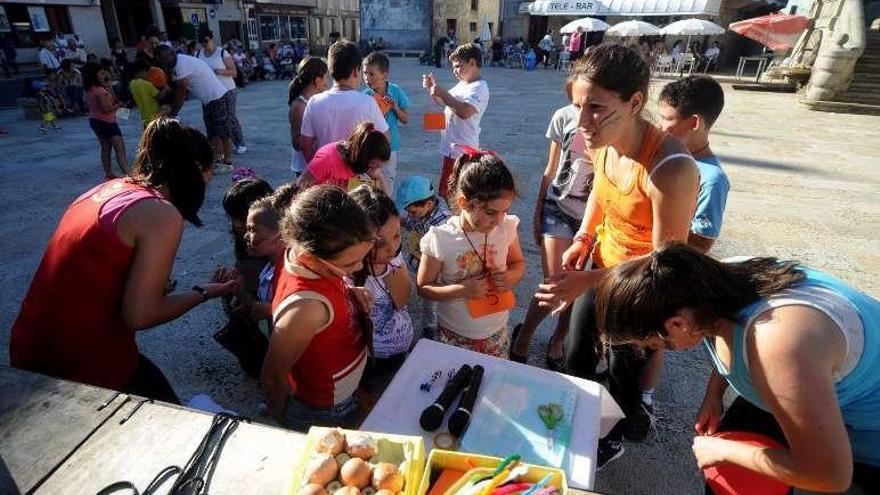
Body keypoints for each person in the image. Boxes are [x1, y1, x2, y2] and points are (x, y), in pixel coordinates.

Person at [593, 243, 880, 493]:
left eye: (655, 345)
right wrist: (714, 394)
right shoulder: (706, 287)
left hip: (866, 436)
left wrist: (726, 450)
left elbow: (830, 474)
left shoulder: (779, 344)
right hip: (812, 387)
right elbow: (732, 335)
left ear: (677, 324)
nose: (651, 350)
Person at [533, 43, 699, 467]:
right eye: (577, 106)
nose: (582, 121)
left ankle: (611, 436)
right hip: (603, 264)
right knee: (576, 353)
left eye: (596, 107)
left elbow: (667, 264)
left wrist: (585, 280)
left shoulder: (671, 168)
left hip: (644, 285)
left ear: (635, 101)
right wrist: (583, 240)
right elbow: (600, 198)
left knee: (624, 364)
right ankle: (581, 422)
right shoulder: (601, 142)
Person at [10, 118, 239, 403]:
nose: (208, 182)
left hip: (31, 340)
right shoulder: (160, 213)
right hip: (79, 359)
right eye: (209, 173)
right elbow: (140, 315)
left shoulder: (112, 188)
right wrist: (204, 292)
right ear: (194, 170)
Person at [261, 185, 376, 432]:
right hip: (325, 411)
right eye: (349, 263)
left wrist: (349, 292)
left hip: (344, 391)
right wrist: (283, 418)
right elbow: (272, 376)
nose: (357, 269)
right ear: (312, 256)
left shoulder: (297, 252)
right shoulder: (306, 309)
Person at [511, 80, 594, 370]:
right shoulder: (562, 116)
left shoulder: (612, 122)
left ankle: (558, 339)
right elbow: (551, 168)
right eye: (576, 102)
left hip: (592, 217)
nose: (583, 111)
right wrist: (537, 212)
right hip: (557, 207)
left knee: (577, 286)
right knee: (555, 283)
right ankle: (525, 334)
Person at [417, 152, 525, 358]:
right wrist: (461, 289)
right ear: (464, 202)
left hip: (496, 332)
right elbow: (424, 288)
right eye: (491, 212)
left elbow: (518, 263)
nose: (499, 221)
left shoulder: (507, 227)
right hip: (454, 333)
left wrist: (509, 278)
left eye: (505, 211)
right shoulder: (441, 239)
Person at [349, 185, 414, 404]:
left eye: (397, 235)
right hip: (370, 361)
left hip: (401, 349)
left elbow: (404, 298)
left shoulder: (394, 259)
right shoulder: (349, 275)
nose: (392, 247)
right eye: (379, 243)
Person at [657, 75, 729, 253]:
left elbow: (700, 244)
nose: (658, 126)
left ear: (694, 122)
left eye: (666, 119)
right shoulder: (664, 156)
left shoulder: (711, 180)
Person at [299, 41, 389, 162]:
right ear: (355, 71)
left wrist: (317, 169)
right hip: (357, 176)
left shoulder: (314, 102)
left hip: (325, 176)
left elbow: (305, 144)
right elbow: (386, 138)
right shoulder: (367, 102)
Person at [421, 43, 490, 198]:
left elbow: (465, 111)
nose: (455, 71)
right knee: (448, 192)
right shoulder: (462, 84)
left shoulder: (479, 87)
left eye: (459, 66)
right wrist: (433, 89)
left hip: (463, 151)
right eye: (453, 67)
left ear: (473, 62)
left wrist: (443, 94)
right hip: (451, 148)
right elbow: (443, 102)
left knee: (458, 194)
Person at [158, 45, 235, 171]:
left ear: (172, 54)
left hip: (217, 97)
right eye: (163, 60)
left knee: (222, 131)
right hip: (208, 100)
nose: (165, 62)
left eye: (166, 59)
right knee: (212, 131)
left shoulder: (180, 64)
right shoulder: (178, 62)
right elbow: (179, 89)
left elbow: (182, 91)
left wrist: (174, 112)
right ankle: (217, 159)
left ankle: (228, 162)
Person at [396, 176, 451, 340]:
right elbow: (412, 223)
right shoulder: (423, 210)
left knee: (430, 303)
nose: (410, 215)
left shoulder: (442, 225)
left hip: (432, 272)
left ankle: (430, 330)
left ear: (428, 204)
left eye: (412, 212)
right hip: (415, 260)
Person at [297, 122, 392, 195]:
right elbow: (299, 190)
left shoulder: (362, 162)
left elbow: (380, 179)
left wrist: (389, 210)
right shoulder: (326, 160)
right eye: (373, 164)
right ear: (362, 157)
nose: (375, 169)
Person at [362, 51, 409, 192]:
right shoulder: (364, 96)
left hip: (390, 147)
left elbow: (406, 119)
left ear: (384, 75)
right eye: (364, 73)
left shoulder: (395, 91)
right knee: (369, 188)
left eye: (371, 74)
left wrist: (394, 108)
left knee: (386, 186)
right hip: (369, 149)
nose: (367, 78)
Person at [198, 30, 247, 155]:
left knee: (229, 118)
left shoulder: (222, 53)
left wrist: (220, 71)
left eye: (206, 41)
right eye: (202, 42)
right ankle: (216, 147)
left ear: (212, 39)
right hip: (209, 92)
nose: (204, 44)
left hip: (227, 90)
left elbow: (234, 72)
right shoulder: (198, 54)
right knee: (210, 119)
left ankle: (239, 142)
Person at [84, 63, 129, 180]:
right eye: (101, 73)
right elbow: (106, 109)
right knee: (120, 149)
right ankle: (128, 173)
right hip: (107, 122)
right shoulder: (100, 91)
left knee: (106, 147)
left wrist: (110, 89)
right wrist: (118, 105)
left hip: (95, 120)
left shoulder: (90, 89)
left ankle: (108, 173)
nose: (104, 75)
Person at [288, 57, 328, 178]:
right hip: (305, 168)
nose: (328, 83)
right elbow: (296, 142)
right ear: (317, 81)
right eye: (326, 78)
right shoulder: (299, 106)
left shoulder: (316, 100)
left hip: (315, 163)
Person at [129, 59, 170, 128]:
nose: (148, 75)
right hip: (155, 119)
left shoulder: (132, 84)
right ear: (142, 71)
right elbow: (159, 97)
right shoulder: (146, 84)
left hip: (145, 120)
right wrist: (165, 88)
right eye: (147, 72)